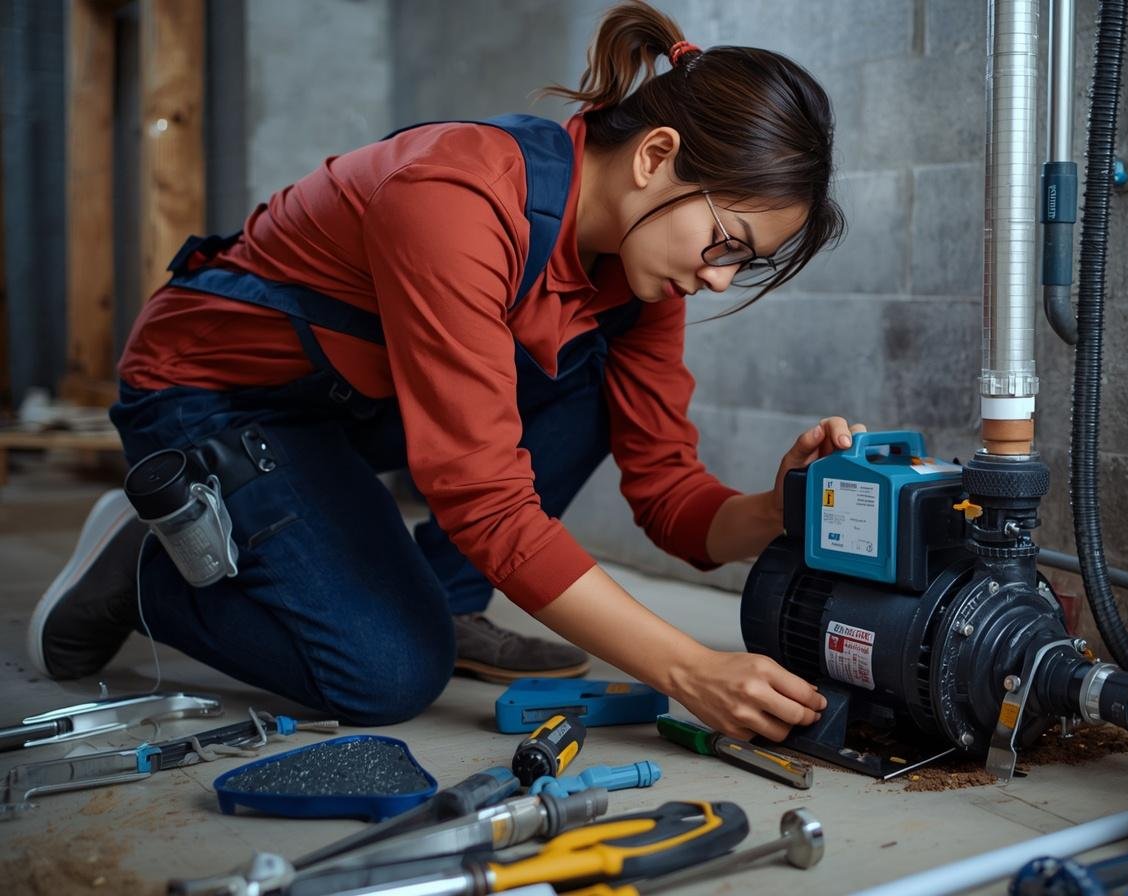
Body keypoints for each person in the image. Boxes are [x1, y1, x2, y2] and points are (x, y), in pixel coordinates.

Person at [28, 0, 855, 743]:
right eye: (726, 244)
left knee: (584, 381)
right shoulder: (456, 199)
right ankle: (140, 568)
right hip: (212, 392)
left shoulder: (639, 277)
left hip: (357, 400)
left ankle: (438, 602)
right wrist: (687, 670)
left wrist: (783, 509)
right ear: (656, 156)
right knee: (385, 676)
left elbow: (672, 501)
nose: (717, 279)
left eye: (741, 267)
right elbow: (483, 499)